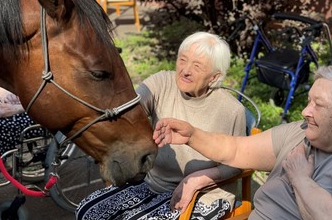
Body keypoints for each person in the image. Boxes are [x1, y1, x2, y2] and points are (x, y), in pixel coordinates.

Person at [154, 63, 332, 219]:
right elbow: (236, 149)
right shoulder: (306, 132)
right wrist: (192, 135)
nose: (305, 112)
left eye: (318, 105)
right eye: (309, 101)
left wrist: (299, 176)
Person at [76, 32, 247, 220]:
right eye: (183, 60)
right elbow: (131, 109)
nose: (185, 70)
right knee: (88, 211)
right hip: (155, 185)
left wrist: (194, 181)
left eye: (197, 66)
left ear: (214, 77)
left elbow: (236, 166)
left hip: (205, 196)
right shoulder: (162, 82)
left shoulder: (231, 111)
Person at [0, 86, 45, 163]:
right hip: (17, 104)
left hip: (38, 112)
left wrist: (15, 109)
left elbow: (50, 103)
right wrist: (5, 95)